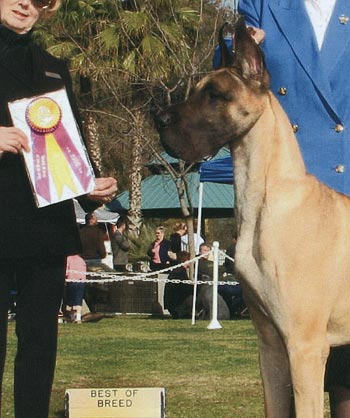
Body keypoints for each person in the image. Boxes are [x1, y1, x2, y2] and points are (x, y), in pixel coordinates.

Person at [0, 1, 118, 417]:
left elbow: (72, 144)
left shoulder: (54, 68)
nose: (25, 5)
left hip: (45, 227)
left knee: (39, 343)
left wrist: (91, 187)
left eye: (39, 0)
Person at [233, 1, 350, 416]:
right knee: (285, 347)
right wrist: (239, 43)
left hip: (346, 182)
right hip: (289, 196)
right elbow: (234, 85)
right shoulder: (260, 5)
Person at [164, 251, 193, 319]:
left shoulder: (178, 270)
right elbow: (185, 288)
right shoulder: (180, 272)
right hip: (177, 306)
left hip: (173, 304)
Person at [64, 254, 86, 324]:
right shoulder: (81, 259)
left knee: (70, 298)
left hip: (71, 280)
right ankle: (78, 317)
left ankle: (72, 317)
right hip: (81, 281)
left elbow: (66, 271)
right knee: (78, 299)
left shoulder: (68, 259)